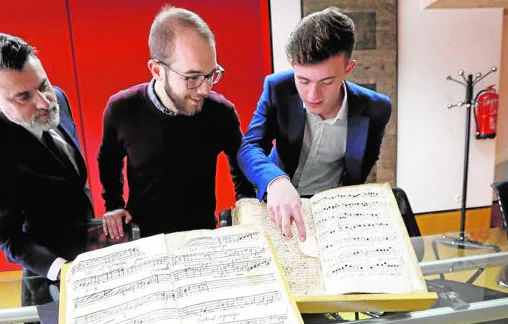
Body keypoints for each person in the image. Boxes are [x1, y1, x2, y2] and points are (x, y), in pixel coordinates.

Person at [0, 32, 94, 306]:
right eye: (23, 97)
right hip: (52, 276)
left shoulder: (57, 97)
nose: (45, 102)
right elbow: (5, 235)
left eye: (43, 85)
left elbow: (71, 179)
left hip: (91, 245)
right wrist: (63, 270)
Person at [98, 6, 254, 238]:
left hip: (202, 235)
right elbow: (108, 160)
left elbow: (242, 163)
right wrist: (114, 203)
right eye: (192, 78)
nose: (205, 89)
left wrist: (246, 203)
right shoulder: (122, 109)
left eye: (211, 74)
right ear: (157, 70)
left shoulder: (221, 112)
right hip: (144, 238)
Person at [237, 7, 392, 241]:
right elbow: (249, 146)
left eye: (327, 81)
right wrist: (275, 180)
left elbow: (363, 165)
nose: (312, 94)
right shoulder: (277, 88)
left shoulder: (377, 108)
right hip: (277, 201)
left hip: (331, 211)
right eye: (303, 80)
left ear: (348, 69)